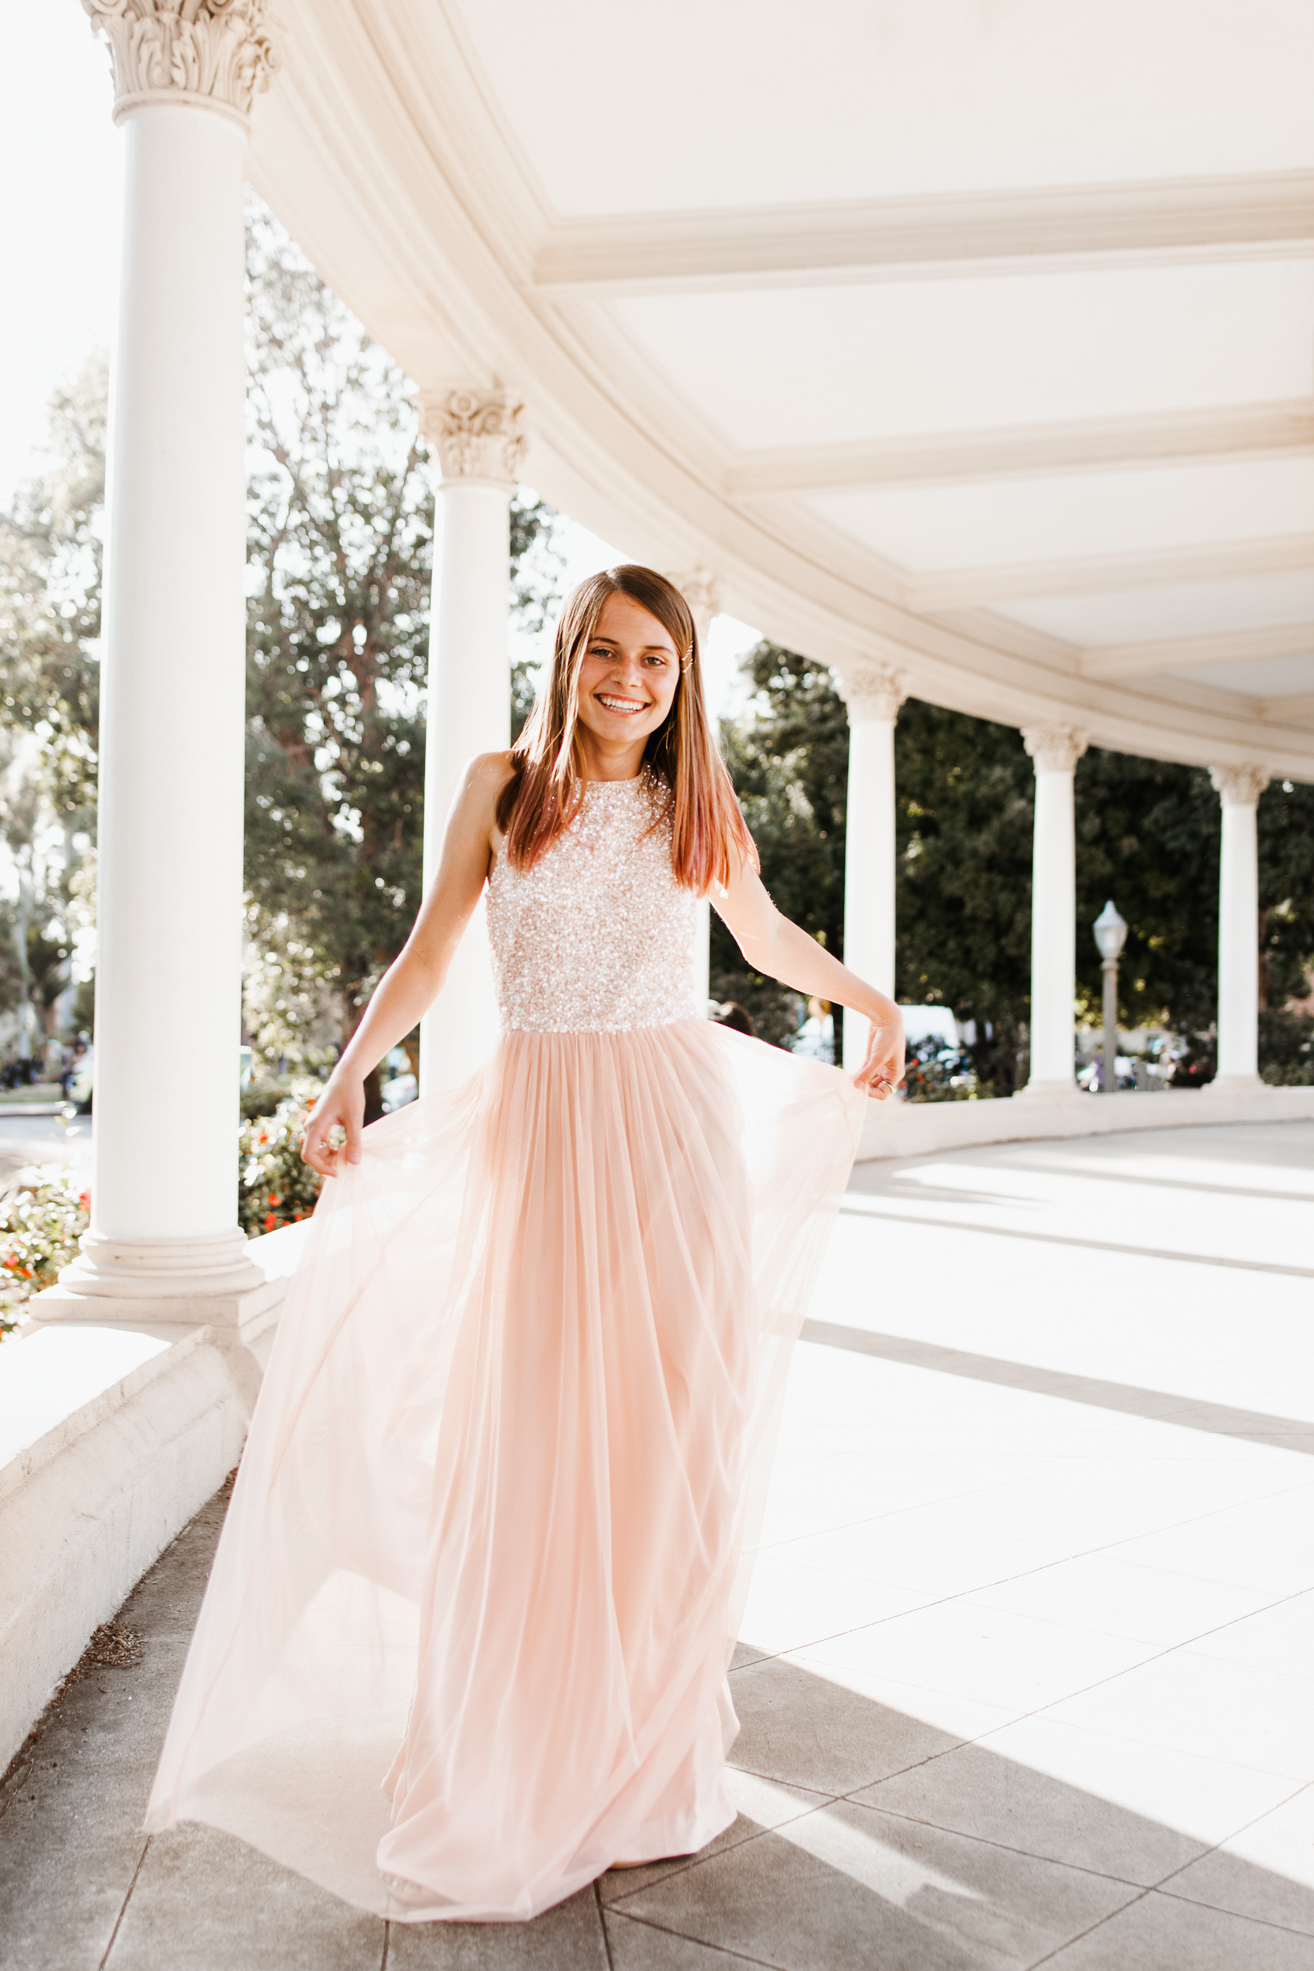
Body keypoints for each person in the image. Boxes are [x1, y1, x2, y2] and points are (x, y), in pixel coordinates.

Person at [145, 566, 904, 1923]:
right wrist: (347, 1074)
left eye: (657, 662)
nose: (631, 680)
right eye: (608, 653)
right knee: (539, 1442)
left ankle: (641, 1758)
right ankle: (523, 1756)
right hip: (543, 1136)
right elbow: (435, 947)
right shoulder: (504, 787)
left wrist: (869, 1004)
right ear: (568, 657)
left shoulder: (695, 801)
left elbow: (765, 936)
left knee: (672, 1439)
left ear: (682, 678)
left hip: (671, 1139)